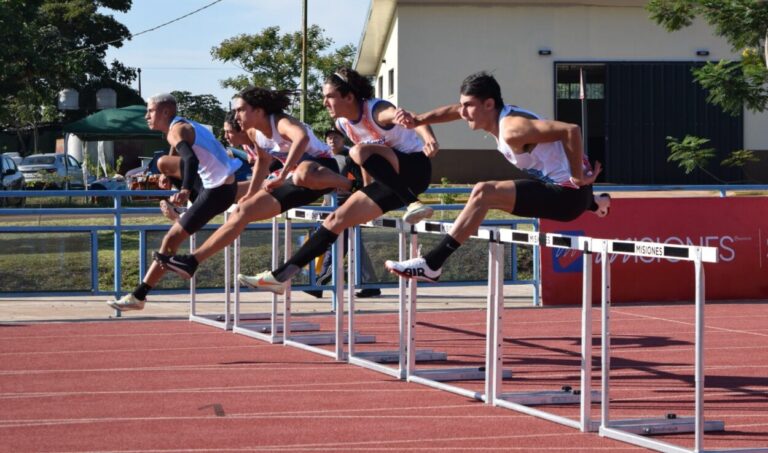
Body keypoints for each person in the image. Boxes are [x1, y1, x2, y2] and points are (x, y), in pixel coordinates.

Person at [384, 71, 610, 282]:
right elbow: (453, 111)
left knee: (484, 193)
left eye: (468, 107)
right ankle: (594, 202)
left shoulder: (512, 128)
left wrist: (577, 176)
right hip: (569, 191)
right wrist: (418, 121)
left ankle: (432, 264)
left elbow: (570, 130)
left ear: (489, 104)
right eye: (463, 106)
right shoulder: (493, 113)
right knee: (507, 188)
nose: (462, 113)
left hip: (567, 197)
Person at [237, 67, 439, 295]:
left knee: (358, 152)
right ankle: (280, 276)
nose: (324, 102)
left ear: (349, 96)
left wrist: (430, 139)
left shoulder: (377, 111)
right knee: (336, 219)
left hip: (415, 168)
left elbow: (415, 119)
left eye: (329, 96)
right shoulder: (343, 123)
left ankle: (413, 203)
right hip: (392, 180)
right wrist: (364, 189)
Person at [158, 87, 353, 280]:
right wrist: (250, 194)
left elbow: (301, 137)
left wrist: (283, 173)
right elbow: (262, 162)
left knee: (301, 173)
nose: (236, 116)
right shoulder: (254, 133)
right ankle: (192, 261)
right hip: (295, 182)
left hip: (322, 171)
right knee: (242, 211)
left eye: (241, 110)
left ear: (258, 111)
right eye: (235, 111)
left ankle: (349, 185)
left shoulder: (280, 122)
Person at [107, 93, 243, 311]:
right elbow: (181, 149)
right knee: (163, 163)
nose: (146, 116)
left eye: (150, 111)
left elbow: (191, 159)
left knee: (171, 239)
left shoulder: (176, 130)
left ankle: (139, 296)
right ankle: (184, 208)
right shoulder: (181, 126)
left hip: (218, 190)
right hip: (216, 184)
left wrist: (184, 188)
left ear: (165, 112)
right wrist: (168, 175)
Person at [309, 129, 381, 299]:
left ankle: (319, 284)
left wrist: (361, 199)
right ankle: (371, 284)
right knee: (354, 245)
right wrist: (326, 202)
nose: (332, 140)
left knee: (336, 244)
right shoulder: (326, 157)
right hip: (333, 205)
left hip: (347, 204)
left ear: (343, 139)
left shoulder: (350, 157)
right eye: (329, 138)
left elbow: (362, 181)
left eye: (336, 137)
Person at [157, 111, 257, 222]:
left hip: (236, 181)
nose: (225, 137)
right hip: (221, 177)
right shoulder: (243, 146)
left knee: (256, 185)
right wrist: (166, 174)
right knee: (163, 162)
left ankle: (186, 211)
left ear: (242, 130)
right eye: (224, 132)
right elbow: (178, 140)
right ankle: (188, 208)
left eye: (229, 132)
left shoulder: (261, 143)